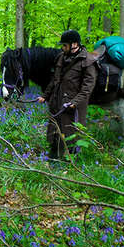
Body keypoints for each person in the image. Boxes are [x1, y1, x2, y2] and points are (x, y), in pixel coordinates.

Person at [37, 30, 97, 160]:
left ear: (74, 44)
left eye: (65, 45)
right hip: (57, 101)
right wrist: (45, 96)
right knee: (55, 130)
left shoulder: (87, 61)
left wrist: (75, 102)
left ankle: (71, 161)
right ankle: (53, 157)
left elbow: (87, 87)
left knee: (71, 132)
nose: (62, 48)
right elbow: (55, 80)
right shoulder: (61, 57)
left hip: (72, 105)